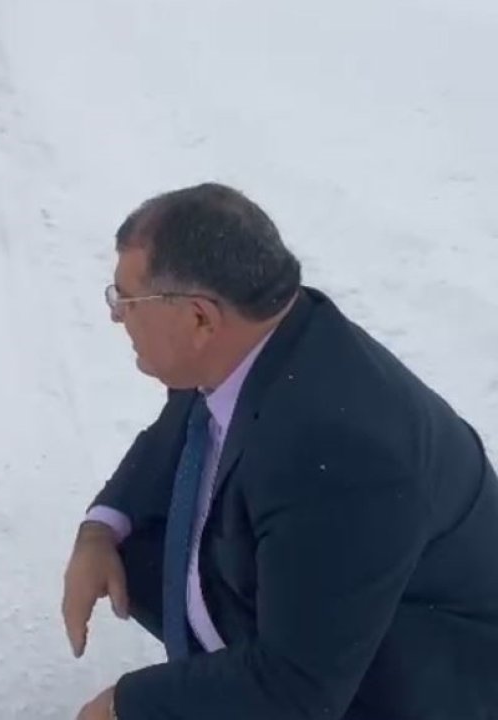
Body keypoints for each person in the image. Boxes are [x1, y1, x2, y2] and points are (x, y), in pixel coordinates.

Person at [62, 182, 498, 719]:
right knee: (145, 543)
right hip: (343, 594)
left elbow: (298, 689)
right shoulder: (258, 337)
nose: (115, 316)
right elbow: (176, 433)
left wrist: (127, 706)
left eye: (125, 299)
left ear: (199, 318)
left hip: (421, 675)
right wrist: (102, 529)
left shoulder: (338, 450)